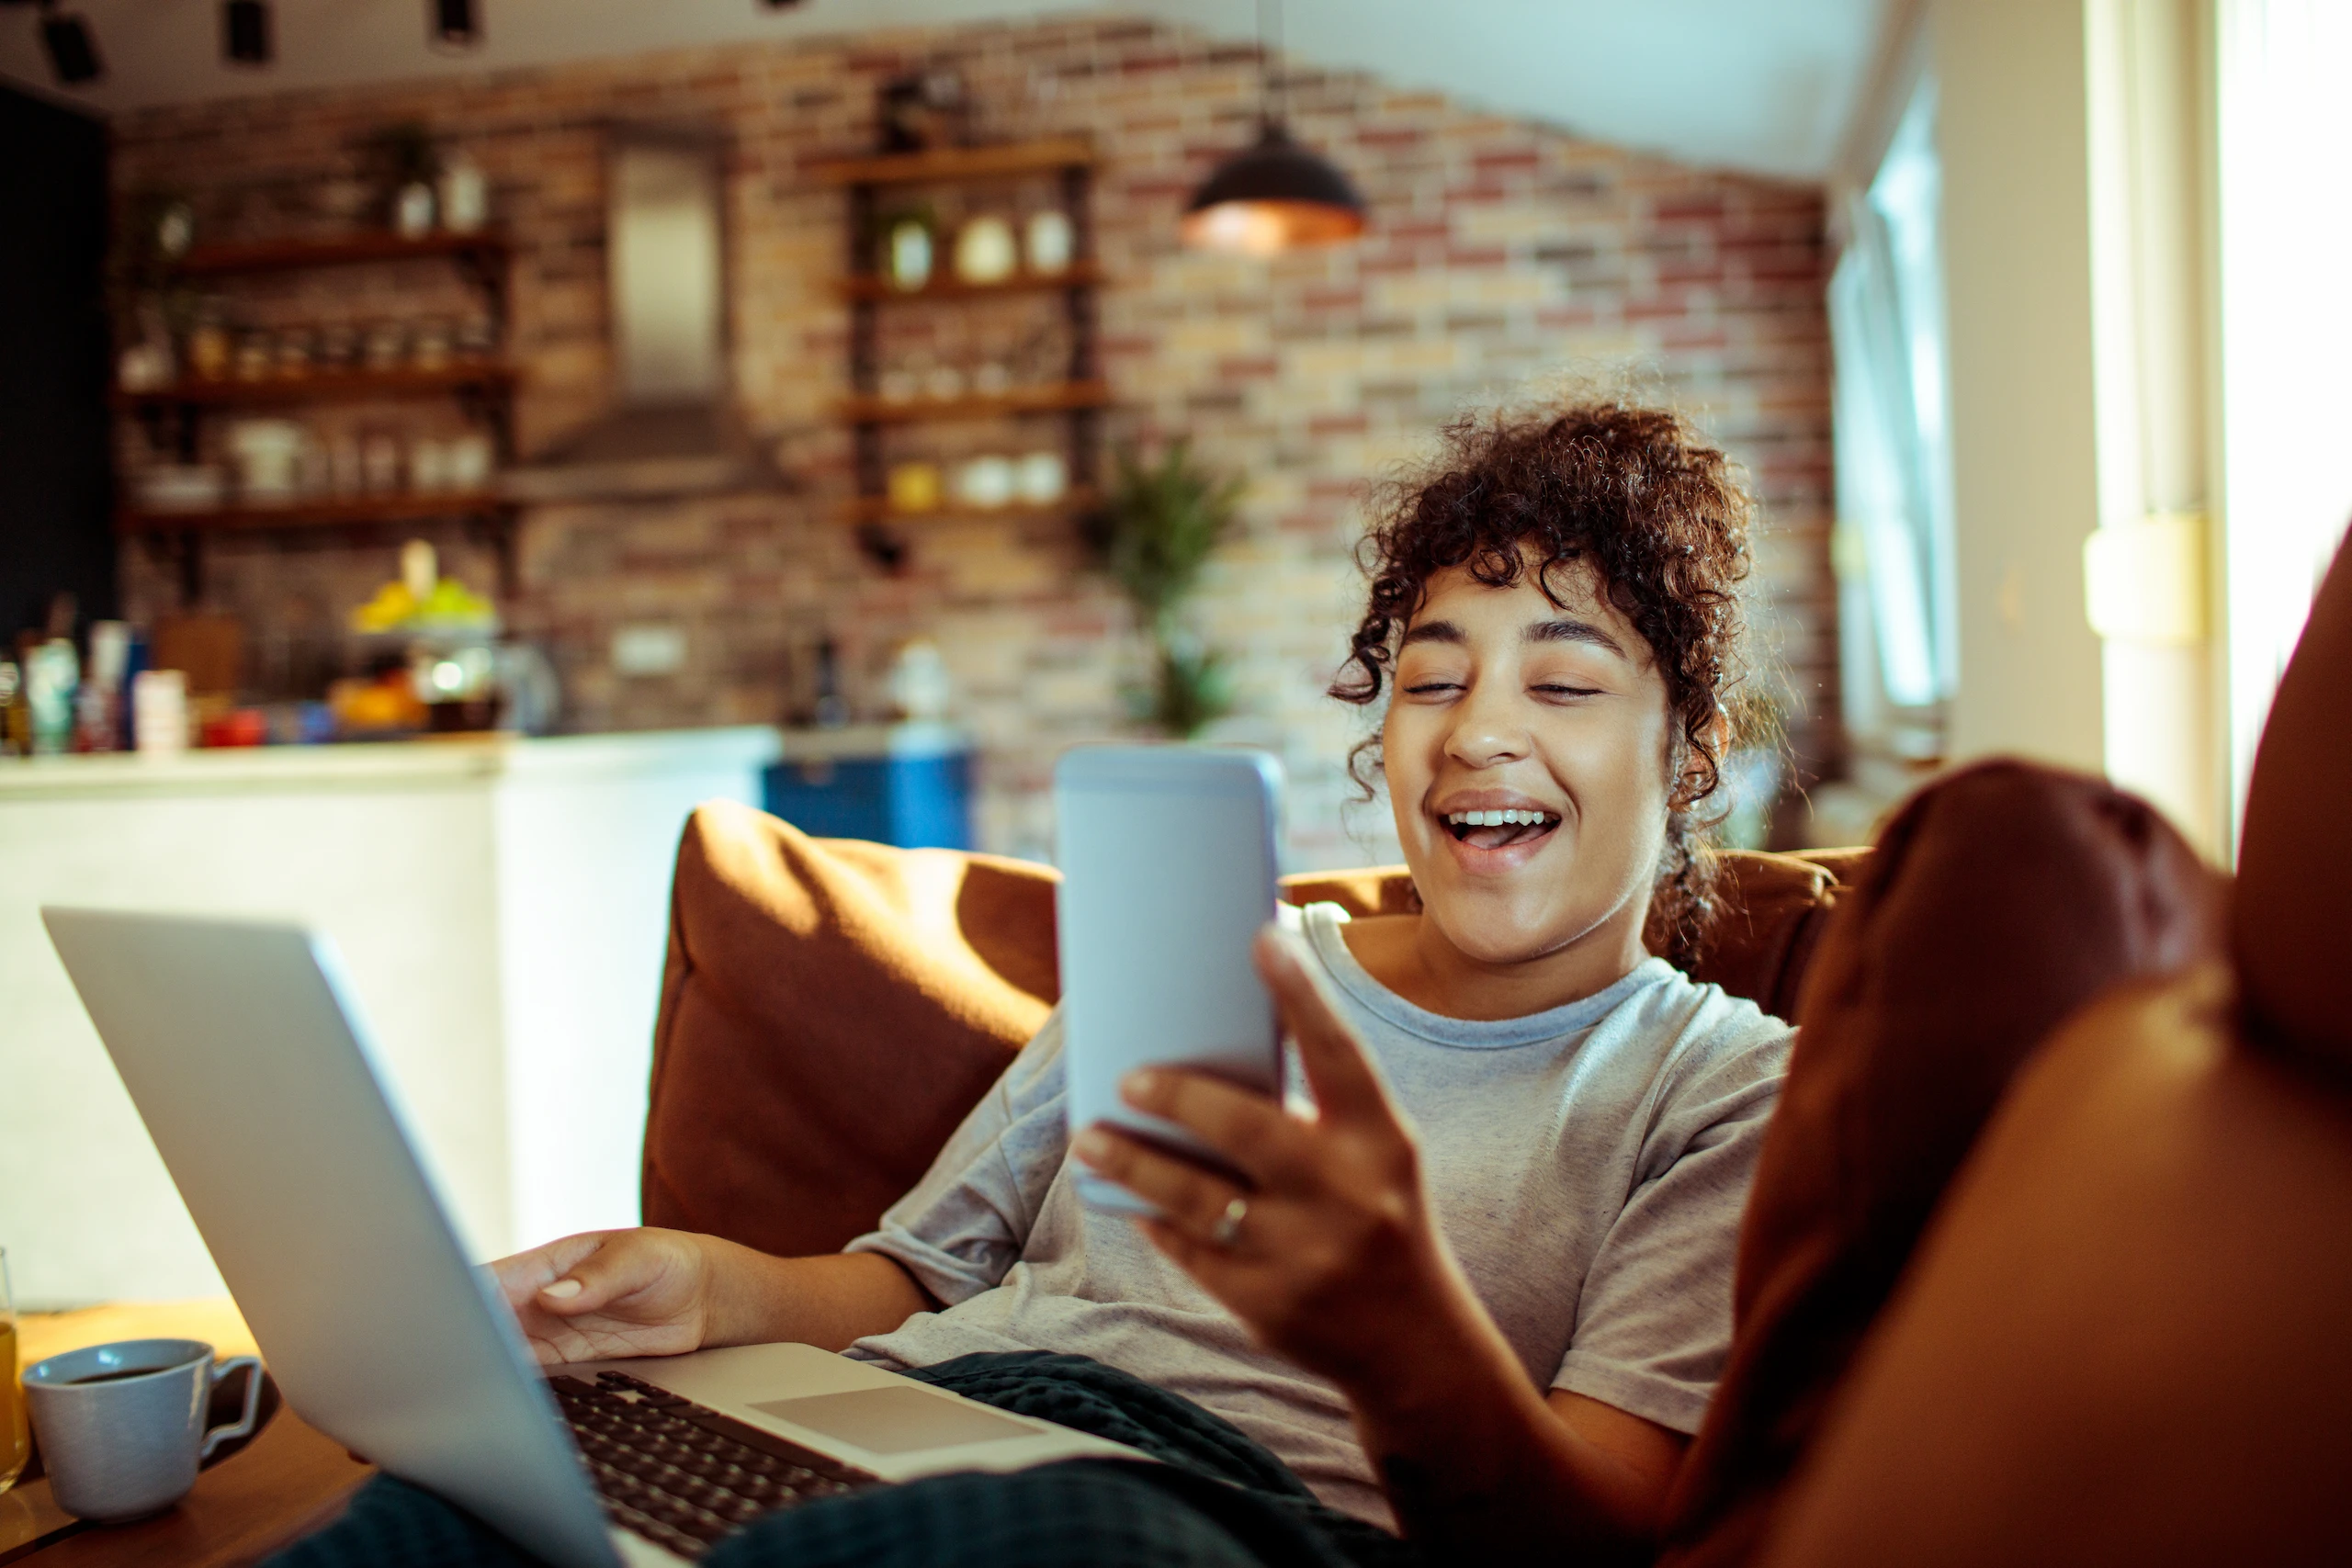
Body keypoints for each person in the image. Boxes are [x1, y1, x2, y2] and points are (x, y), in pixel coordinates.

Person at [267, 400, 1793, 1568]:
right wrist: (697, 1289)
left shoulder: (1722, 1086)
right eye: (1433, 676)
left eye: (1569, 681)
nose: (1475, 735)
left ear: (1691, 751)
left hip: (1222, 1515)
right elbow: (914, 1277)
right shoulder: (1217, 955)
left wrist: (1401, 1332)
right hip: (936, 1404)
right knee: (443, 1513)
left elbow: (1603, 1539)